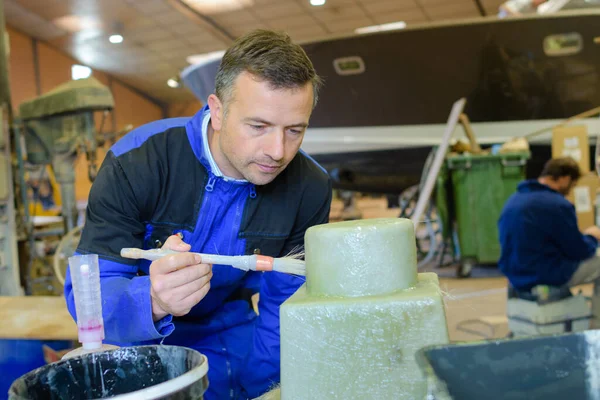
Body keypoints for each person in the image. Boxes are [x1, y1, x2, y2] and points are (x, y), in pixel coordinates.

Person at [64, 29, 332, 400]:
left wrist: (264, 392)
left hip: (232, 330)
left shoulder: (309, 187)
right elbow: (90, 293)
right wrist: (153, 301)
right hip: (135, 334)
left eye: (294, 130)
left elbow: (285, 310)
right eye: (258, 126)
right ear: (218, 111)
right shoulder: (140, 160)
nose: (277, 151)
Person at [498, 157, 600, 325]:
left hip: (515, 272)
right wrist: (592, 236)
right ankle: (597, 328)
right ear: (565, 179)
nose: (570, 190)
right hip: (543, 273)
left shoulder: (515, 199)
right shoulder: (557, 204)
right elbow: (579, 251)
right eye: (573, 185)